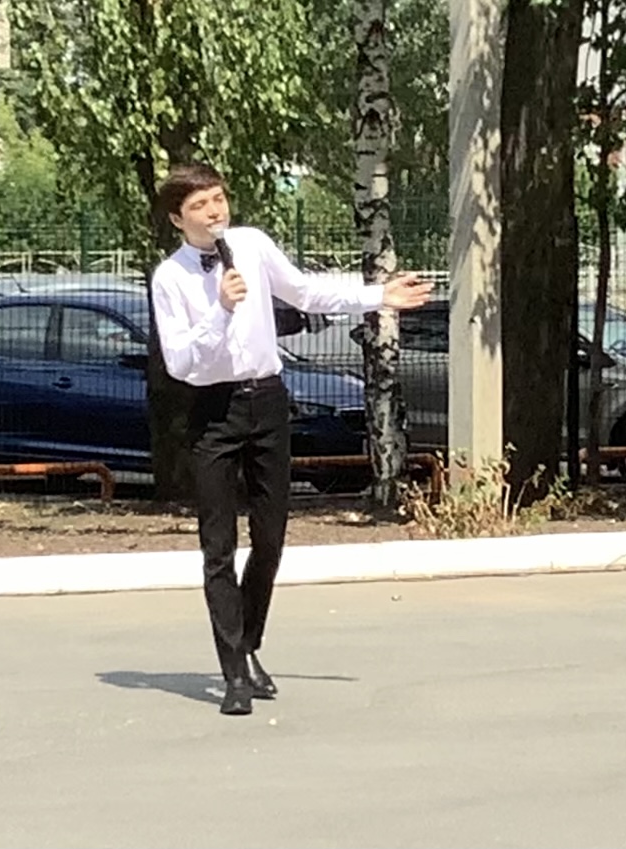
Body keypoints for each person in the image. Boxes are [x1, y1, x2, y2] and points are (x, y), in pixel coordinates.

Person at [149, 163, 434, 716]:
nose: (214, 211)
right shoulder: (170, 278)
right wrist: (219, 309)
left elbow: (305, 292)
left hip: (267, 400)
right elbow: (182, 363)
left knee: (271, 538)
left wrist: (378, 295)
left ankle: (248, 643)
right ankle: (234, 674)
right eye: (200, 205)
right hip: (213, 410)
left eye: (218, 198)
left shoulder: (252, 246)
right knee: (218, 547)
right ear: (178, 219)